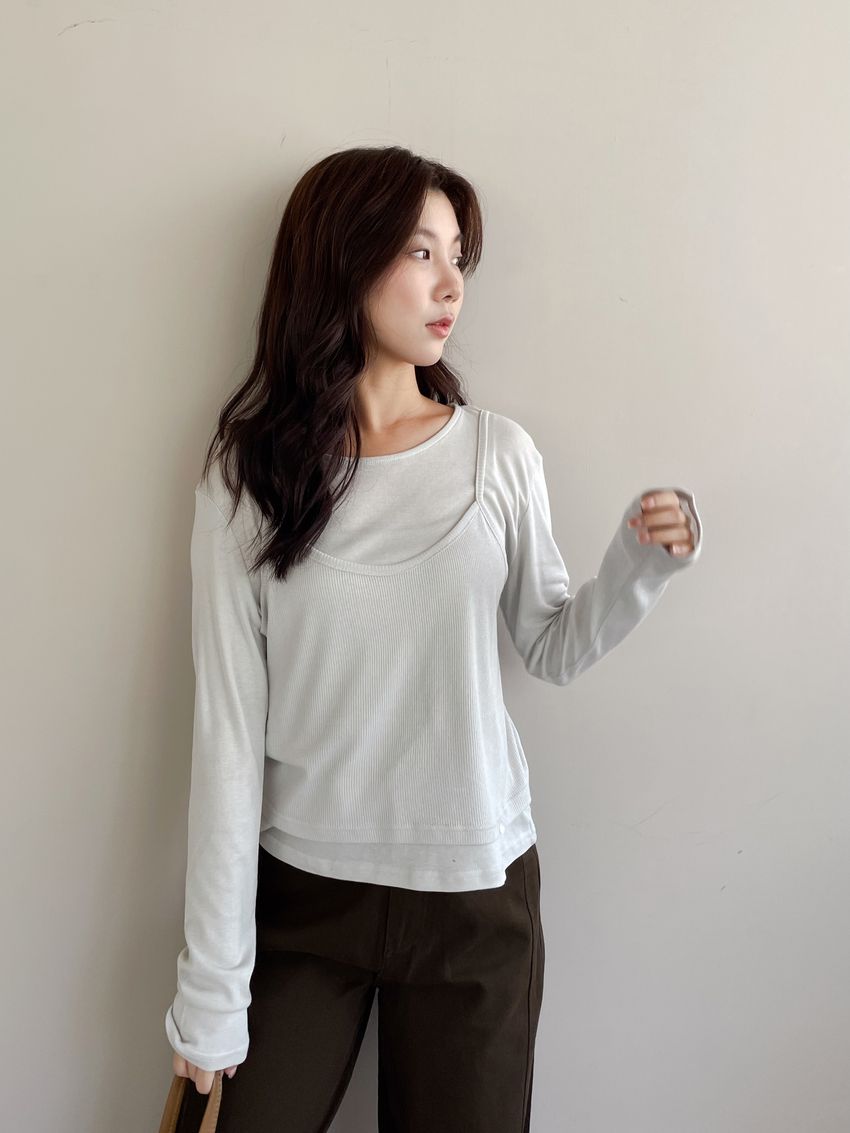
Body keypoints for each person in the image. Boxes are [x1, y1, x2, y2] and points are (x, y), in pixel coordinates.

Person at [163, 144, 703, 1133]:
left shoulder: (497, 454)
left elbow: (549, 646)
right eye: (420, 252)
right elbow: (227, 739)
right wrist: (210, 988)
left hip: (475, 899)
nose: (451, 283)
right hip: (305, 901)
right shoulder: (248, 478)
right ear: (342, 257)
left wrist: (638, 567)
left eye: (459, 256)